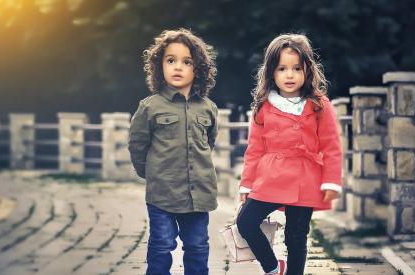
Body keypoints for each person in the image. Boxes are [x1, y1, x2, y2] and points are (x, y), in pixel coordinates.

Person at [236, 33, 343, 275]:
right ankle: (273, 268)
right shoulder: (264, 105)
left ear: (308, 69)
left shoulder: (319, 104)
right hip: (270, 176)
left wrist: (331, 180)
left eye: (296, 68)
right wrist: (247, 185)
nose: (290, 74)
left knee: (296, 237)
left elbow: (331, 145)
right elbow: (254, 149)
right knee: (246, 222)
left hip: (305, 177)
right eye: (282, 68)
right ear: (271, 71)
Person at [128, 28, 218, 275]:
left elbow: (208, 143)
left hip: (199, 195)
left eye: (186, 62)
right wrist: (153, 174)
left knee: (198, 246)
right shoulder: (150, 107)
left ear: (198, 69)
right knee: (161, 246)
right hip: (162, 194)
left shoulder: (208, 108)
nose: (178, 67)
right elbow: (137, 145)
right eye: (171, 60)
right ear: (160, 66)